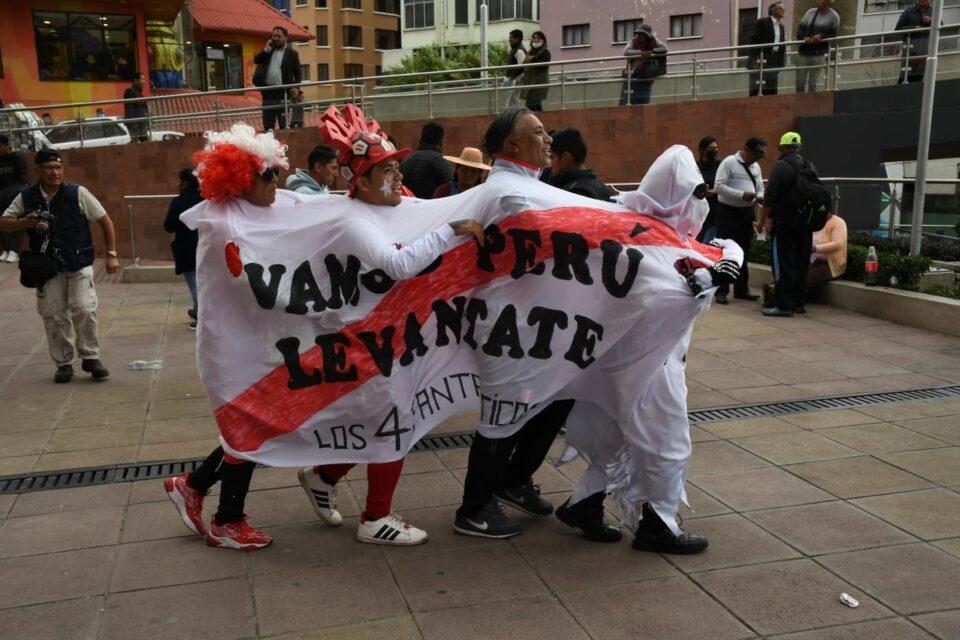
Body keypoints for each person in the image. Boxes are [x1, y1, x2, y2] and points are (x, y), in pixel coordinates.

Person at [295, 106, 483, 545]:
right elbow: (398, 264)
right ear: (360, 182)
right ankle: (375, 517)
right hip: (365, 341)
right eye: (387, 169)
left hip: (390, 337)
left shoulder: (389, 206)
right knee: (396, 420)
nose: (398, 176)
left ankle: (324, 477)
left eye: (397, 166)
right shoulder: (354, 219)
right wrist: (453, 230)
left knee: (383, 421)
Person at [163, 125, 290, 550]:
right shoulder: (223, 224)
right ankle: (227, 521)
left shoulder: (257, 208)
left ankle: (193, 486)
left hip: (256, 340)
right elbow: (251, 279)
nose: (278, 181)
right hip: (233, 346)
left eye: (277, 170)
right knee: (248, 430)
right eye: (268, 174)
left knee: (249, 427)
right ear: (239, 179)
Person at [453, 106, 578, 539]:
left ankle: (512, 478)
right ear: (511, 145)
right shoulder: (510, 193)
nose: (549, 140)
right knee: (502, 413)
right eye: (539, 133)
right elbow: (546, 233)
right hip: (507, 325)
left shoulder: (531, 187)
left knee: (559, 396)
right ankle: (474, 506)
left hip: (534, 323)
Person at [0, 149, 119, 383]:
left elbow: (105, 220)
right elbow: (4, 221)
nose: (55, 172)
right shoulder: (26, 196)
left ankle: (91, 357)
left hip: (79, 260)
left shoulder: (77, 192)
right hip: (47, 266)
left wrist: (112, 254)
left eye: (58, 167)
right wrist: (24, 222)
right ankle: (64, 363)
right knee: (54, 314)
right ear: (38, 171)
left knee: (84, 308)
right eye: (49, 168)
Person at [757, 131, 814, 317]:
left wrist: (761, 223)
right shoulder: (809, 166)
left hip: (785, 223)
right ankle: (799, 303)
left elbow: (769, 198)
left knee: (784, 263)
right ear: (799, 148)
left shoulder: (780, 166)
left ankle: (784, 305)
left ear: (782, 148)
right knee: (801, 262)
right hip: (806, 224)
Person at [714, 137, 766, 304]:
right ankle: (721, 290)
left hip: (747, 213)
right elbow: (719, 186)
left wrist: (760, 197)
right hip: (728, 213)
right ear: (746, 149)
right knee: (725, 252)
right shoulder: (729, 162)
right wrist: (741, 195)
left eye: (760, 155)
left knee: (744, 250)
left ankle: (741, 289)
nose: (757, 158)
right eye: (755, 154)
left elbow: (759, 187)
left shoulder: (756, 166)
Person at [162, 169, 203, 329]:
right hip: (207, 247)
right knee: (205, 284)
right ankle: (197, 310)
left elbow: (169, 226)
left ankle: (202, 318)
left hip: (187, 249)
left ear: (185, 183)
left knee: (195, 285)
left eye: (180, 181)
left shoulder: (179, 202)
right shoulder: (207, 199)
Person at [252, 26, 302, 132]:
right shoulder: (268, 51)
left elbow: (298, 74)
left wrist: (296, 88)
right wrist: (266, 49)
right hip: (268, 94)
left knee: (284, 126)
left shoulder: (292, 54)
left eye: (279, 36)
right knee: (268, 127)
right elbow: (257, 60)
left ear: (285, 38)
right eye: (274, 36)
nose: (276, 38)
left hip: (283, 94)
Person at [547, 128, 612, 201]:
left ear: (565, 158)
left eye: (552, 157)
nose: (548, 163)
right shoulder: (600, 186)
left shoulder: (574, 194)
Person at [795, 0, 840, 93]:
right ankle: (799, 103)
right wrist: (804, 38)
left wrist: (821, 37)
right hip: (803, 52)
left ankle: (811, 104)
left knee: (813, 83)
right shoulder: (810, 12)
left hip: (819, 54)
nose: (817, 1)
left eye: (820, 0)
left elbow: (833, 35)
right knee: (799, 82)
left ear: (828, 2)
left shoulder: (834, 16)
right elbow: (799, 29)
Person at [398, 122, 451, 199]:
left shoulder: (406, 162)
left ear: (421, 140)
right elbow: (450, 189)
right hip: (433, 209)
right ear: (440, 142)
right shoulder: (441, 161)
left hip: (410, 208)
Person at [0, 134, 28, 263]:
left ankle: (14, 250)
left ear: (6, 146)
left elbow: (23, 176)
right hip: (1, 195)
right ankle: (6, 249)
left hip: (15, 193)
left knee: (16, 218)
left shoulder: (16, 158)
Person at [750, 2, 787, 96]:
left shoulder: (781, 26)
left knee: (772, 87)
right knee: (758, 86)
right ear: (773, 10)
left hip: (775, 59)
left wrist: (782, 61)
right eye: (781, 9)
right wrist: (755, 57)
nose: (783, 11)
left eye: (783, 9)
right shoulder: (763, 22)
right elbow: (755, 39)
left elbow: (782, 45)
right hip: (762, 58)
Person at [807, 210, 847, 290]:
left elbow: (838, 244)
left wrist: (815, 248)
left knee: (805, 278)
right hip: (809, 262)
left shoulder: (838, 222)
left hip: (828, 264)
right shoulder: (811, 222)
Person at [896, 0, 933, 84]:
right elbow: (898, 29)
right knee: (905, 76)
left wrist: (932, 20)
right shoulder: (908, 12)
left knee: (921, 76)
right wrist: (913, 28)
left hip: (926, 50)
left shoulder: (933, 12)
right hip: (910, 51)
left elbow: (940, 27)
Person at [696, 136, 721, 243]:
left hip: (714, 213)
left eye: (716, 148)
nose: (714, 151)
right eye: (711, 148)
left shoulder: (720, 165)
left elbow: (727, 185)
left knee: (707, 246)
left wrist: (714, 191)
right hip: (697, 213)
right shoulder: (694, 167)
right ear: (701, 150)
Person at [520, 31, 551, 112]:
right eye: (534, 38)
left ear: (543, 40)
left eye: (538, 38)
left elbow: (543, 65)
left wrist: (532, 59)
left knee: (531, 105)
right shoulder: (530, 52)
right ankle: (543, 121)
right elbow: (524, 64)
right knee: (535, 105)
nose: (536, 40)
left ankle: (538, 122)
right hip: (530, 82)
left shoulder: (545, 52)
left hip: (539, 83)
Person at [123, 72, 149, 142]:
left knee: (144, 142)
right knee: (136, 143)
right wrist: (133, 123)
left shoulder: (138, 92)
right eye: (142, 79)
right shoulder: (129, 91)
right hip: (135, 124)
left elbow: (143, 107)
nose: (144, 82)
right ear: (136, 80)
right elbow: (129, 108)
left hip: (141, 123)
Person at [504, 29, 527, 108]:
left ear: (517, 39)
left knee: (514, 102)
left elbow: (523, 67)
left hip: (517, 81)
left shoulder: (519, 50)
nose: (509, 39)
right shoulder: (515, 49)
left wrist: (514, 78)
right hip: (513, 80)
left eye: (511, 37)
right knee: (511, 102)